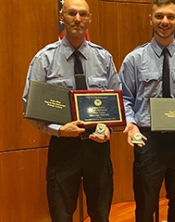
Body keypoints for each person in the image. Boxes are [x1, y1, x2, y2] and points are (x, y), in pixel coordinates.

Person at [22, 0, 120, 221]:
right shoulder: (44, 59)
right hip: (63, 149)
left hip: (98, 147)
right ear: (61, 17)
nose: (78, 19)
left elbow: (116, 101)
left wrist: (108, 130)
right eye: (72, 13)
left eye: (83, 14)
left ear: (89, 19)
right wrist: (58, 129)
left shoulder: (103, 58)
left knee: (101, 214)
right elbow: (30, 105)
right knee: (61, 214)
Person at [118, 0, 175, 221]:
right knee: (145, 206)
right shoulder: (134, 59)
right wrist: (130, 124)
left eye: (170, 17)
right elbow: (124, 98)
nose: (164, 22)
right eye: (159, 16)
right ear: (151, 19)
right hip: (148, 140)